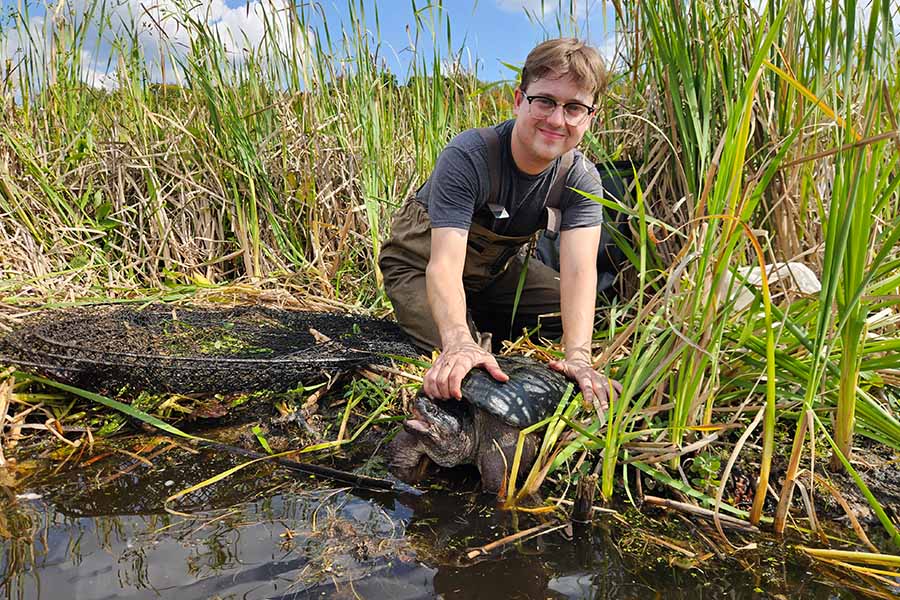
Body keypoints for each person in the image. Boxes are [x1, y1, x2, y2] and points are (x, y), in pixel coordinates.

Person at [379, 38, 618, 409]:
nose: (557, 119)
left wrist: (579, 357)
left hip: (493, 275)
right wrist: (459, 339)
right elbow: (442, 265)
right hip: (420, 265)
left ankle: (477, 320)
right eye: (545, 101)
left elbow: (579, 271)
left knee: (567, 312)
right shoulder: (469, 155)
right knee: (465, 366)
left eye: (574, 107)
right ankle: (461, 327)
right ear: (519, 99)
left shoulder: (581, 178)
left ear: (590, 118)